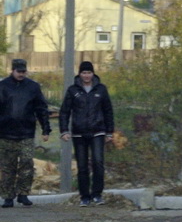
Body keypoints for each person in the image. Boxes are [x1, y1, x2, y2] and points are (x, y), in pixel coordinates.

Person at [59, 60, 115, 207]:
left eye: (89, 72)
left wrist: (109, 132)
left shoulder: (101, 89)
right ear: (80, 74)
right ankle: (84, 196)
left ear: (93, 73)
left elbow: (108, 111)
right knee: (82, 166)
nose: (86, 75)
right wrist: (64, 130)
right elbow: (64, 112)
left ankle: (97, 194)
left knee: (98, 162)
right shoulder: (73, 90)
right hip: (79, 133)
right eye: (84, 72)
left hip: (98, 131)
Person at [0, 58, 52, 207]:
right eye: (19, 71)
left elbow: (41, 109)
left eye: (24, 71)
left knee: (27, 165)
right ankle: (8, 197)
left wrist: (46, 129)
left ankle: (23, 194)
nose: (21, 74)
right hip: (5, 134)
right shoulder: (3, 87)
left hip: (26, 133)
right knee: (7, 167)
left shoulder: (33, 87)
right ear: (12, 70)